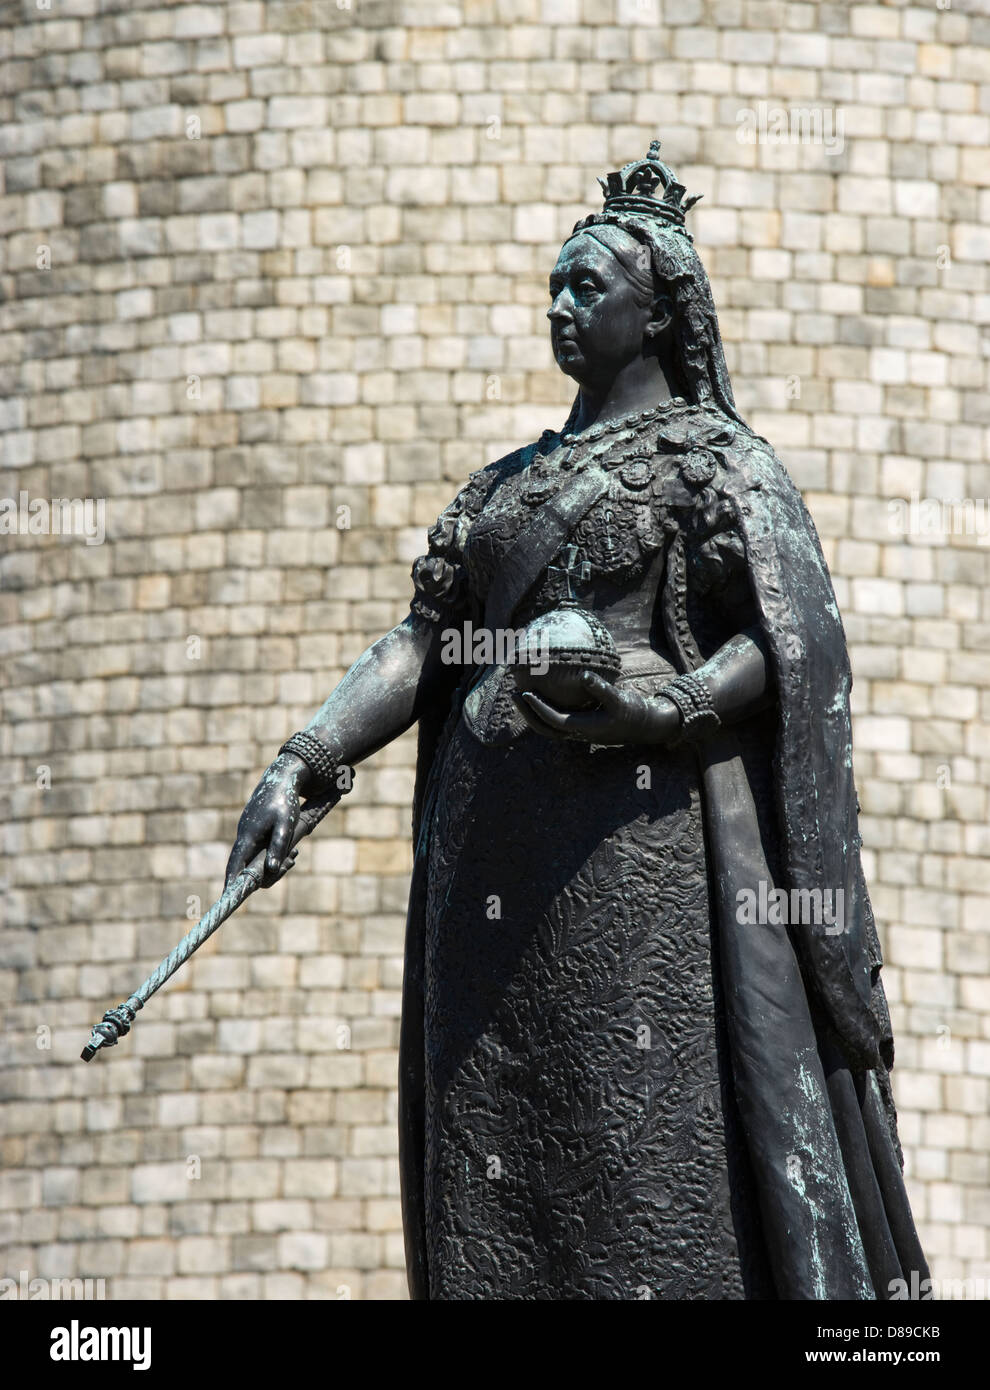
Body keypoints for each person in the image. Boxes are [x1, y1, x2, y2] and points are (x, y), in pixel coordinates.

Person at [225, 141, 929, 1300]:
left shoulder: (715, 464)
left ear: (656, 316)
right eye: (554, 285)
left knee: (639, 1144)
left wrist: (660, 703)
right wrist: (304, 760)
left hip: (636, 868)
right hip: (486, 876)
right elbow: (425, 640)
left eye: (585, 287)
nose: (559, 306)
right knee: (500, 1157)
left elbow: (791, 643)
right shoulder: (507, 486)